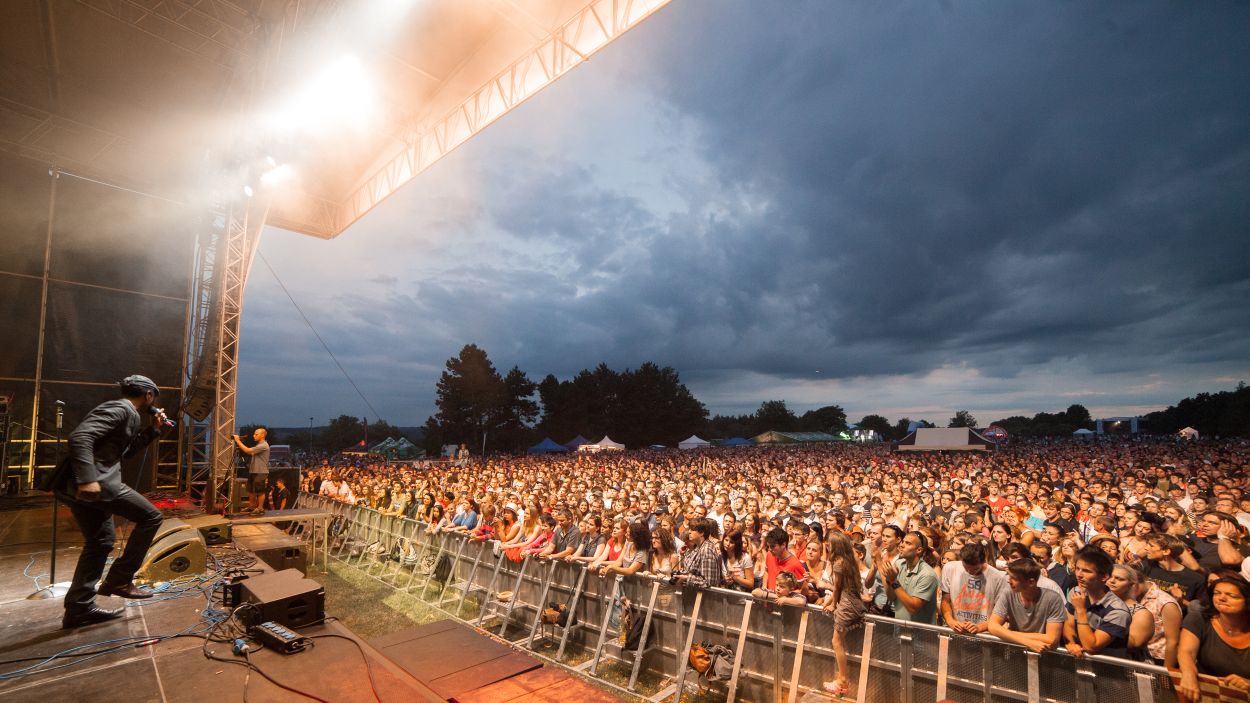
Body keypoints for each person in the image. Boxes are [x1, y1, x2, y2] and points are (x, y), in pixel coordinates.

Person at [55, 375, 169, 628]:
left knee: (101, 541)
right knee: (152, 517)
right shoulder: (120, 408)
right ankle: (120, 579)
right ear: (149, 396)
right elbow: (80, 438)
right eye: (154, 397)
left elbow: (124, 453)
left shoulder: (130, 414)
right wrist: (87, 479)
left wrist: (153, 430)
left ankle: (78, 608)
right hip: (95, 484)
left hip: (90, 486)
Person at [1177, 576, 1250, 701]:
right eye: (1217, 593)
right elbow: (1186, 652)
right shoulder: (1199, 619)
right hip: (1206, 694)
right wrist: (1188, 674)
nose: (1221, 598)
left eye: (1232, 595)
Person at [1064, 547, 1131, 658]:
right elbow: (1068, 624)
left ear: (1104, 577)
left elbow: (1091, 646)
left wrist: (1081, 611)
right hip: (1077, 659)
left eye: (1086, 571)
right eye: (1077, 569)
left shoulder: (1118, 611)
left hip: (1105, 669)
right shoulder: (1076, 591)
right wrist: (1071, 643)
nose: (1079, 575)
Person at [820, 532, 865, 697]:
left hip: (848, 605)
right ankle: (841, 680)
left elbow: (838, 588)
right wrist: (829, 601)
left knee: (836, 641)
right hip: (851, 601)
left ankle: (842, 680)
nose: (827, 546)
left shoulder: (839, 563)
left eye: (829, 543)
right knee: (838, 641)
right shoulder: (849, 560)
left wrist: (832, 604)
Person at [987, 558, 1066, 652]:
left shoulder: (1053, 598)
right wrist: (1028, 643)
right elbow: (992, 626)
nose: (1009, 581)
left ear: (1031, 582)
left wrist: (1006, 633)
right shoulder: (1008, 593)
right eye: (1009, 576)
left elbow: (1051, 639)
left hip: (1044, 654)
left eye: (1014, 578)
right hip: (1016, 652)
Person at [941, 542, 1008, 634]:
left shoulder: (998, 578)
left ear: (983, 561)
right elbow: (945, 601)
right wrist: (950, 621)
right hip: (956, 630)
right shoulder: (950, 568)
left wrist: (980, 627)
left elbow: (1001, 614)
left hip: (984, 634)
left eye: (975, 569)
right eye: (966, 568)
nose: (970, 572)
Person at [879, 531, 939, 624]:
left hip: (922, 633)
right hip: (899, 627)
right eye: (903, 542)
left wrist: (894, 581)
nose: (902, 545)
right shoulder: (899, 564)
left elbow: (913, 608)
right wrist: (888, 579)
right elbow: (891, 597)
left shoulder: (927, 574)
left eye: (908, 543)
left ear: (918, 550)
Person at [674, 517, 724, 589]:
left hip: (704, 597)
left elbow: (708, 582)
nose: (689, 532)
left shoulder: (706, 550)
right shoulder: (697, 547)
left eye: (692, 530)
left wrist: (687, 578)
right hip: (693, 594)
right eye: (689, 529)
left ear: (702, 533)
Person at [233, 427, 270, 514]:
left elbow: (248, 451)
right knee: (250, 490)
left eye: (256, 434)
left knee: (259, 491)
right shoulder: (258, 445)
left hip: (261, 471)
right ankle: (252, 506)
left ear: (262, 435)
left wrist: (238, 441)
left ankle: (260, 508)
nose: (254, 436)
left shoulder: (264, 445)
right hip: (253, 471)